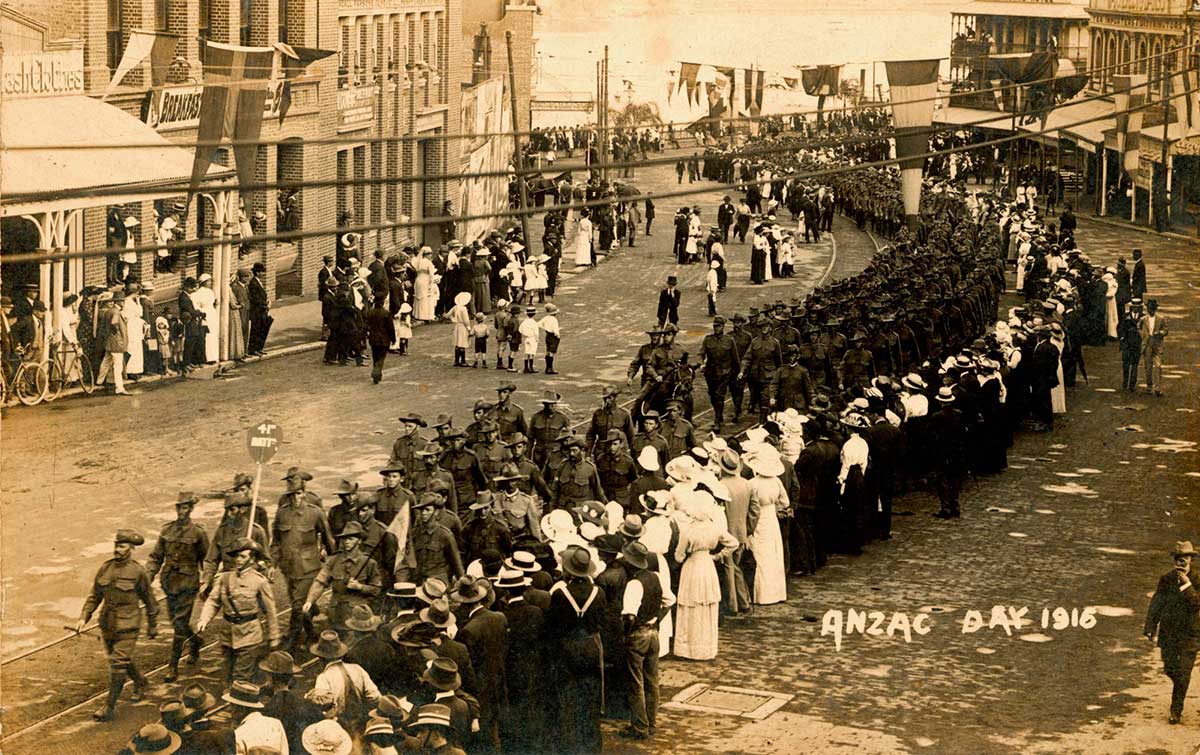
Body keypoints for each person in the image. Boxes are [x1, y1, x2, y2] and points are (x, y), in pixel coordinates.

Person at [77, 529, 158, 721]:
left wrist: (152, 625)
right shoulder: (105, 568)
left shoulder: (138, 571)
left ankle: (109, 707)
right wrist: (83, 617)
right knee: (121, 659)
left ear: (131, 548)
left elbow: (150, 600)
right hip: (108, 625)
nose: (117, 550)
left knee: (118, 664)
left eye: (122, 546)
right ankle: (141, 682)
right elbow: (94, 596)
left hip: (129, 625)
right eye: (116, 545)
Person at [545, 546, 607, 754]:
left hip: (567, 648)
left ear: (569, 571)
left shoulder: (560, 594)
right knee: (590, 697)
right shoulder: (599, 593)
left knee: (567, 699)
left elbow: (552, 626)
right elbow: (602, 622)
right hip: (591, 647)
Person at [195, 537, 280, 683]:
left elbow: (270, 611)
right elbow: (213, 601)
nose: (238, 560)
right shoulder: (224, 578)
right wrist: (204, 618)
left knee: (241, 676)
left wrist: (274, 637)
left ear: (252, 559)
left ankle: (238, 702)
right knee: (229, 673)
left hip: (249, 635)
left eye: (243, 556)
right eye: (236, 556)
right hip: (228, 635)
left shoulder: (260, 581)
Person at [145, 492, 209, 681]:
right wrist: (147, 577)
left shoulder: (198, 533)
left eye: (186, 507)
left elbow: (207, 560)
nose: (182, 511)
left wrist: (207, 584)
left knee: (179, 625)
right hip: (169, 584)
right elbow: (156, 557)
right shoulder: (167, 531)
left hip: (188, 585)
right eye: (180, 507)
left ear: (191, 509)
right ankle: (196, 641)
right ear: (176, 509)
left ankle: (172, 666)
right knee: (176, 623)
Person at [618, 541, 673, 740]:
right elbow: (670, 601)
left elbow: (629, 615)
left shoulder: (634, 584)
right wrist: (657, 618)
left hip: (638, 634)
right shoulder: (656, 577)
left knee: (636, 683)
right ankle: (651, 722)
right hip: (653, 633)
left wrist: (625, 634)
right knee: (652, 680)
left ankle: (639, 726)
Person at [1144, 541, 1200, 725]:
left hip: (1191, 634)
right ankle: (1180, 686)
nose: (1179, 565)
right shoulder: (1166, 579)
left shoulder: (1198, 579)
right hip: (1169, 634)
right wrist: (1150, 628)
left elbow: (1197, 604)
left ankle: (1176, 711)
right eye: (1177, 560)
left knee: (1183, 671)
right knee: (1169, 668)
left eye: (1183, 561)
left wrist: (1186, 585)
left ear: (1190, 559)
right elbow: (1157, 603)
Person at [305, 521, 383, 631]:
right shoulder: (334, 560)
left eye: (351, 539)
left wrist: (360, 587)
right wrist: (310, 600)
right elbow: (320, 581)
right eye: (345, 538)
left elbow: (377, 590)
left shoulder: (369, 563)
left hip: (357, 617)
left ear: (359, 541)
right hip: (335, 614)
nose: (346, 542)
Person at [744, 448, 787, 605]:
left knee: (760, 555)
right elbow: (785, 502)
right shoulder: (776, 481)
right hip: (771, 518)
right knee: (773, 554)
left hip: (758, 519)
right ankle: (776, 592)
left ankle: (761, 594)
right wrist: (774, 505)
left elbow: (748, 504)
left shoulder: (752, 483)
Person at [95, 290, 130, 395]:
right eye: (122, 301)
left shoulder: (109, 311)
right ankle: (119, 387)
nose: (123, 303)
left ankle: (99, 381)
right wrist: (118, 336)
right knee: (118, 366)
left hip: (109, 342)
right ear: (118, 302)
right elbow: (114, 323)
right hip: (116, 343)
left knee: (106, 362)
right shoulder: (116, 312)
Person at [1139, 299, 1168, 396]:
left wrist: (1159, 333)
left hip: (1157, 344)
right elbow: (1139, 329)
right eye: (1149, 309)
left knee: (1158, 366)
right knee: (1148, 367)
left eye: (1152, 309)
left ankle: (1158, 388)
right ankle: (1149, 386)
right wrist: (1143, 336)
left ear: (1155, 309)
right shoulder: (1143, 319)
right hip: (1147, 344)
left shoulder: (1161, 319)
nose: (1150, 311)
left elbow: (1165, 330)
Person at [367, 295, 396, 384]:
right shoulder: (386, 313)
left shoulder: (370, 313)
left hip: (373, 338)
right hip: (384, 339)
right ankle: (377, 371)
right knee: (381, 357)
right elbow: (390, 328)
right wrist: (393, 338)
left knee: (375, 356)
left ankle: (377, 373)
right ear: (382, 303)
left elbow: (368, 325)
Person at [248, 262, 272, 356]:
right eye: (262, 272)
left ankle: (259, 348)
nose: (263, 274)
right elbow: (255, 298)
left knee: (261, 329)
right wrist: (265, 305)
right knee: (256, 330)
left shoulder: (258, 282)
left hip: (261, 310)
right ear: (257, 272)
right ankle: (253, 349)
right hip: (257, 311)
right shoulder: (253, 283)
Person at [1119, 300, 1143, 391]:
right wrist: (1122, 337)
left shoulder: (1143, 317)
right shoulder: (1125, 316)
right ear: (1131, 307)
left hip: (1137, 344)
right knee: (1125, 364)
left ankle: (1132, 385)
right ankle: (1125, 382)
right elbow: (1120, 327)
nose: (1135, 308)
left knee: (1135, 364)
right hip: (1127, 344)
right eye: (1134, 306)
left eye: (1137, 307)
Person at [449, 291, 472, 368]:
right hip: (462, 326)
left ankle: (456, 361)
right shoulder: (463, 309)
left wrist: (453, 319)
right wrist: (468, 327)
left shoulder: (455, 307)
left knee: (457, 344)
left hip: (457, 326)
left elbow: (448, 315)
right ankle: (463, 361)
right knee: (462, 344)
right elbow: (466, 320)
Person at [519, 306, 540, 374]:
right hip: (532, 338)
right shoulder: (534, 323)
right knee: (532, 353)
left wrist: (525, 334)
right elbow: (536, 332)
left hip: (527, 338)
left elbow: (520, 329)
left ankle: (526, 367)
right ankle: (531, 367)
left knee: (526, 352)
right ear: (534, 314)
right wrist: (537, 339)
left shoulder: (525, 322)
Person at [541, 303, 561, 375]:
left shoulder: (546, 318)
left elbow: (539, 324)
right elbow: (555, 330)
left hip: (548, 335)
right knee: (551, 352)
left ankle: (547, 367)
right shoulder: (554, 320)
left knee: (548, 350)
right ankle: (550, 368)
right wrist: (557, 335)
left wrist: (546, 329)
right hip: (553, 336)